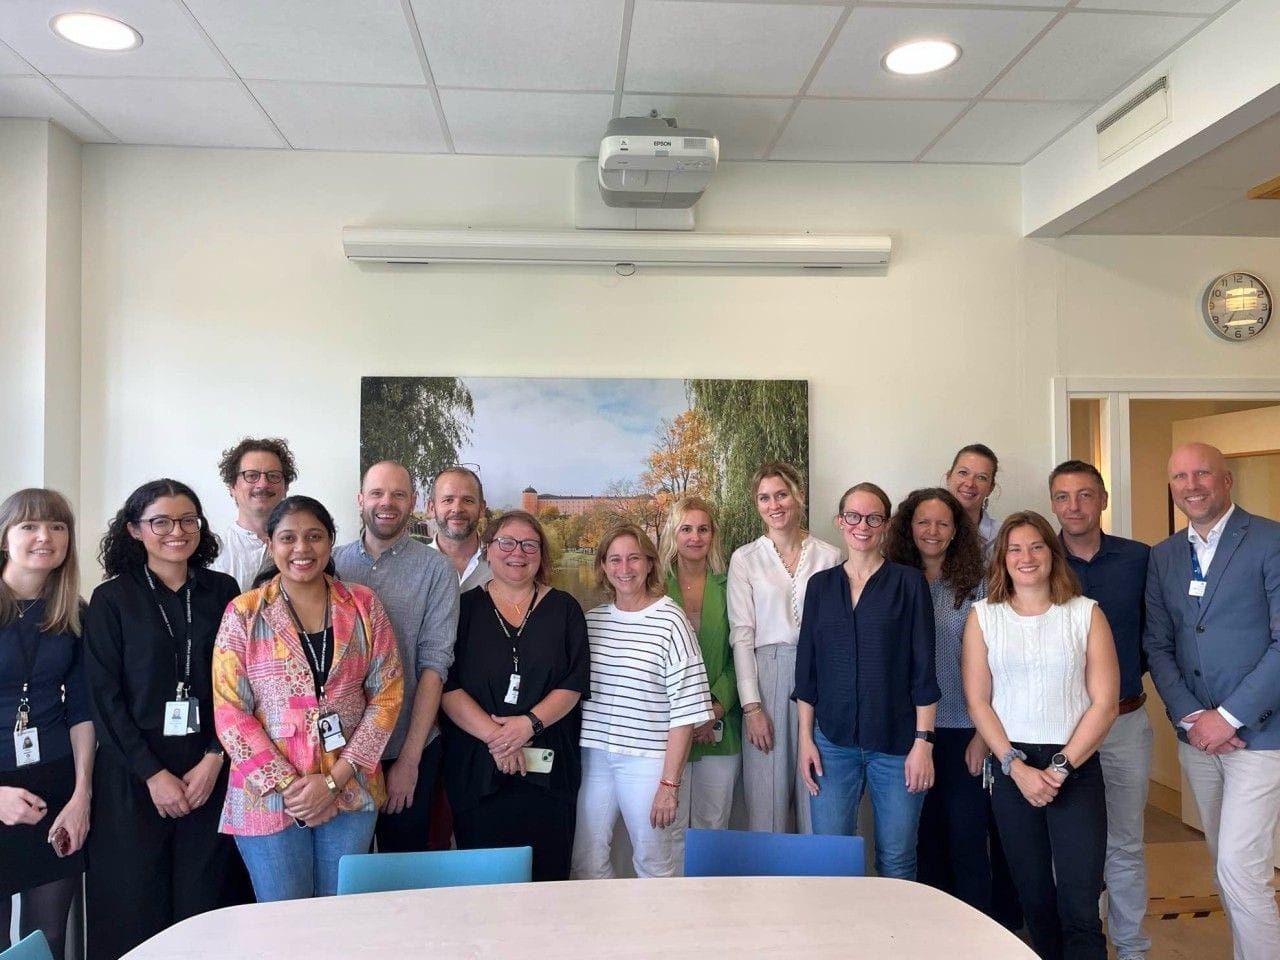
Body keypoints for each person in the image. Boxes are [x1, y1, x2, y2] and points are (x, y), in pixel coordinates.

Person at [84, 479, 245, 959]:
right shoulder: (111, 599)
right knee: (134, 910)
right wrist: (152, 775)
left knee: (205, 908)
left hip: (208, 772)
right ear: (135, 529)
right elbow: (104, 697)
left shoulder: (223, 590)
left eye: (188, 520)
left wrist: (215, 757)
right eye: (161, 522)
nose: (177, 531)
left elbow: (240, 681)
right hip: (133, 777)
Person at [213, 496, 403, 900]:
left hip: (351, 787)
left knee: (339, 916)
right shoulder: (244, 613)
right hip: (267, 796)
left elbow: (387, 695)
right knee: (284, 921)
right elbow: (230, 712)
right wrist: (292, 788)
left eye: (314, 536)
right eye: (288, 538)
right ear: (270, 544)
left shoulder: (363, 605)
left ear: (331, 541)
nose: (302, 548)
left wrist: (333, 781)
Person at [1144, 442, 1280, 960]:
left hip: (1258, 735)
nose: (1191, 485)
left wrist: (1227, 717)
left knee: (1242, 868)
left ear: (1227, 480)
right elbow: (1158, 644)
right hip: (1197, 738)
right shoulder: (1164, 555)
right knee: (1225, 861)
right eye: (1180, 477)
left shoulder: (1270, 540)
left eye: (1202, 473)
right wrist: (1192, 717)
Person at [963, 511, 1119, 960]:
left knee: (1080, 902)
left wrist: (1060, 768)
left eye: (1036, 546)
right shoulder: (984, 616)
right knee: (1034, 899)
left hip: (1075, 766)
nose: (1026, 557)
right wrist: (1014, 766)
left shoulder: (1086, 613)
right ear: (1002, 558)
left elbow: (1105, 703)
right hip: (1012, 769)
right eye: (1014, 548)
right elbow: (978, 701)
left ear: (1053, 554)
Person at [796, 483, 939, 879]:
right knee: (831, 860)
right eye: (854, 516)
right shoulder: (820, 587)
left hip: (898, 746)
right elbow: (807, 672)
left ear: (886, 525)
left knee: (896, 858)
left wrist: (923, 744)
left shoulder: (909, 584)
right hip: (831, 744)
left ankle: (892, 925)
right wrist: (805, 739)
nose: (863, 525)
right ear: (840, 521)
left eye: (874, 518)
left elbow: (924, 671)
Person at [440, 510, 589, 880]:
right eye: (506, 542)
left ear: (542, 555)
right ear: (488, 550)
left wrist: (527, 726)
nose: (517, 552)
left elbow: (573, 682)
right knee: (485, 882)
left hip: (549, 772)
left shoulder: (565, 609)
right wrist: (499, 739)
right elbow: (445, 683)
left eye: (529, 545)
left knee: (547, 881)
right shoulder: (462, 609)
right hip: (477, 768)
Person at [1050, 460, 1152, 960]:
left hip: (1125, 724)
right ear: (1053, 504)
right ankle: (1076, 945)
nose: (1074, 506)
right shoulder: (1038, 559)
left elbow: (1156, 635)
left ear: (1104, 500)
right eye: (1063, 497)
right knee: (1067, 847)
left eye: (1085, 495)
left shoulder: (1139, 559)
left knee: (1125, 844)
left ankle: (1131, 949)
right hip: (1060, 728)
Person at [571, 524, 713, 879]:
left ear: (650, 563)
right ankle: (606, 918)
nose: (625, 568)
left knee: (654, 864)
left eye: (634, 558)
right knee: (585, 861)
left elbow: (685, 712)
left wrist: (669, 785)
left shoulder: (671, 620)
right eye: (615, 559)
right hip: (594, 757)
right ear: (603, 566)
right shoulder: (591, 622)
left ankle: (657, 920)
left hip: (647, 762)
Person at [333, 461, 458, 853]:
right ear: (360, 499)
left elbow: (434, 666)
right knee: (342, 870)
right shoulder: (331, 564)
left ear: (413, 502)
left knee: (400, 871)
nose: (386, 502)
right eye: (377, 493)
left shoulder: (436, 570)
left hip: (406, 744)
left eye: (398, 494)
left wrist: (409, 760)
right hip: (339, 751)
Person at [885, 487, 992, 910]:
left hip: (964, 729)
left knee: (967, 838)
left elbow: (995, 662)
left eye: (943, 523)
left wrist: (983, 735)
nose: (932, 531)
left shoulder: (977, 585)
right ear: (908, 527)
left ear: (956, 530)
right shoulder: (890, 579)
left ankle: (976, 934)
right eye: (923, 522)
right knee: (922, 839)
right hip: (907, 734)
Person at [0, 489, 93, 958]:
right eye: (29, 526)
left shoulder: (73, 612)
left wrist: (81, 797)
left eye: (57, 527)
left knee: (48, 939)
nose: (45, 537)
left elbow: (82, 709)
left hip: (55, 787)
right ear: (4, 537)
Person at [728, 462, 841, 833]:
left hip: (821, 678)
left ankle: (817, 871)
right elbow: (742, 635)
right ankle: (768, 873)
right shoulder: (745, 559)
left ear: (799, 496)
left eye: (781, 494)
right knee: (767, 807)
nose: (773, 505)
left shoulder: (830, 556)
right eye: (764, 498)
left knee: (817, 799)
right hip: (767, 676)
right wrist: (751, 706)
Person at [660, 496, 740, 830]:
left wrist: (713, 710)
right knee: (669, 830)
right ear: (673, 534)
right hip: (666, 728)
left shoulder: (732, 585)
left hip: (719, 728)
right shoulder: (654, 587)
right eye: (686, 529)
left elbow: (742, 654)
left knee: (712, 828)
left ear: (712, 535)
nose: (695, 537)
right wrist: (686, 715)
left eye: (703, 529)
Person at [210, 437, 298, 590]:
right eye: (251, 476)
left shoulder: (306, 547)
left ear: (285, 487)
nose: (263, 484)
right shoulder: (214, 553)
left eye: (273, 476)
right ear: (232, 486)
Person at [428, 465, 492, 592]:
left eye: (468, 500)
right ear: (431, 508)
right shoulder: (413, 565)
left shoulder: (502, 565)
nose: (457, 509)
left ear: (481, 508)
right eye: (448, 500)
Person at [945, 443, 1001, 549]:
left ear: (991, 488)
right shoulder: (923, 529)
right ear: (948, 477)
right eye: (963, 472)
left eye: (981, 477)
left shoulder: (1003, 535)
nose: (970, 483)